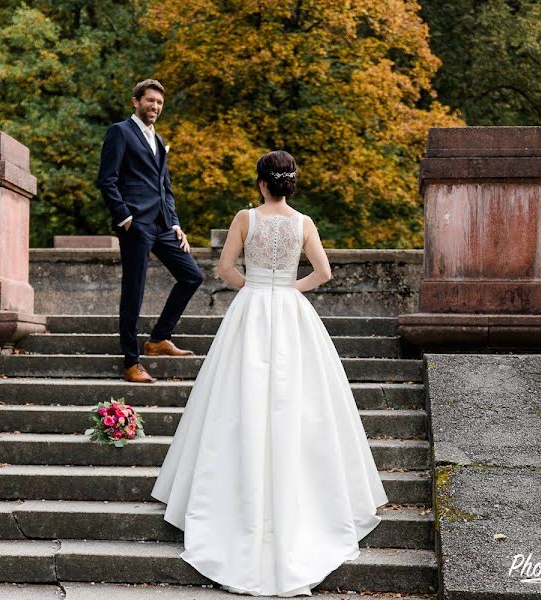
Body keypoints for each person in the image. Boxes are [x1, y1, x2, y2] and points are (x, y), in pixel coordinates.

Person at [151, 150, 389, 596]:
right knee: (300, 401)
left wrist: (256, 287)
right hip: (291, 309)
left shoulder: (245, 218)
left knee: (236, 398)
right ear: (290, 185)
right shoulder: (304, 223)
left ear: (261, 182)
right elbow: (324, 272)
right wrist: (288, 289)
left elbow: (224, 268)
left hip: (252, 309)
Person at [97, 79, 204, 383]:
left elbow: (164, 188)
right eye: (150, 101)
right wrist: (124, 217)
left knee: (192, 275)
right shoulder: (120, 132)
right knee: (135, 289)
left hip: (162, 224)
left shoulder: (158, 140)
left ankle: (159, 339)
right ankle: (132, 361)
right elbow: (107, 180)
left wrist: (175, 223)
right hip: (136, 224)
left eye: (159, 103)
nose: (155, 106)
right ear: (136, 102)